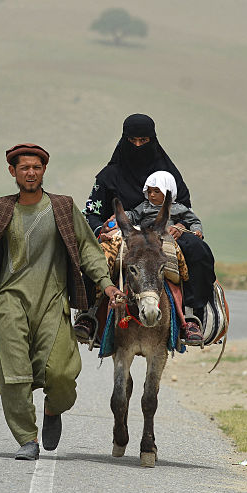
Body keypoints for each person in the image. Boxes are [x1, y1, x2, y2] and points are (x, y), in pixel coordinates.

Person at [0, 143, 125, 461]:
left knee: (62, 374)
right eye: (24, 167)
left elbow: (89, 250)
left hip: (52, 301)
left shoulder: (63, 207)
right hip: (10, 302)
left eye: (36, 167)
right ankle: (27, 438)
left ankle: (53, 409)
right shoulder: (1, 209)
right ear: (13, 172)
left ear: (44, 170)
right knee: (14, 372)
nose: (30, 172)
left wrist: (105, 285)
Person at [75, 113, 195, 342]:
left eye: (144, 141)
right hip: (121, 235)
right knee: (95, 256)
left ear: (153, 140)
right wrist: (103, 229)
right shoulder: (108, 175)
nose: (138, 146)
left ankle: (190, 317)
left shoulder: (168, 174)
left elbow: (184, 206)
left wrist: (180, 226)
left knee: (198, 251)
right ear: (124, 139)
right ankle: (89, 315)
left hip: (164, 233)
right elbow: (90, 212)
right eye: (132, 141)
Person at [127, 171, 216, 343]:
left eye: (157, 191)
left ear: (168, 191)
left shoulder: (179, 209)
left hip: (172, 236)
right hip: (147, 237)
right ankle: (93, 314)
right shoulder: (144, 207)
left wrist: (193, 230)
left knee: (198, 251)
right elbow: (132, 216)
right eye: (150, 191)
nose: (152, 195)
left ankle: (191, 316)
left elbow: (194, 221)